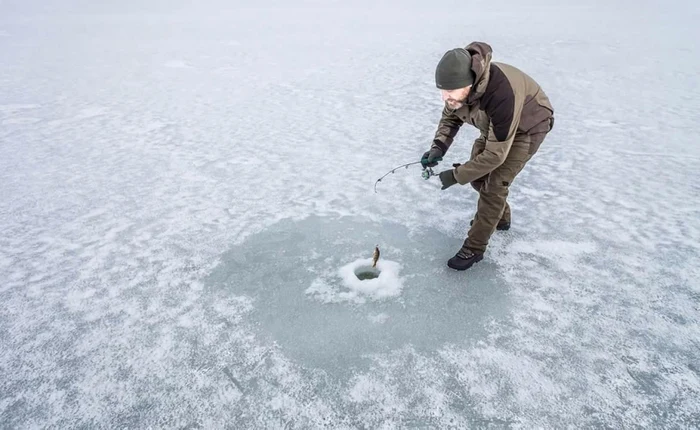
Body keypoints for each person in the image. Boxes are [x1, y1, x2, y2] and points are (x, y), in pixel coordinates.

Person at [421, 42, 554, 271]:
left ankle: (474, 247)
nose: (445, 97)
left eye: (450, 92)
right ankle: (500, 217)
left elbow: (495, 156)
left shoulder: (501, 95)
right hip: (493, 126)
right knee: (478, 179)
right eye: (442, 91)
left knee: (494, 185)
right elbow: (450, 118)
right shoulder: (459, 90)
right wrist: (438, 148)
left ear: (469, 84)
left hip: (528, 127)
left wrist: (454, 175)